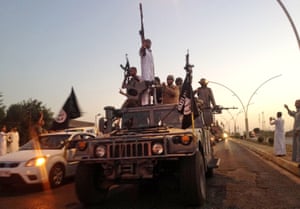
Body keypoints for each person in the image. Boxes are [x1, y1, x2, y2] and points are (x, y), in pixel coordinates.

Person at [139, 38, 155, 105]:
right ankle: (144, 105)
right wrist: (142, 38)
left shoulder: (150, 52)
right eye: (147, 42)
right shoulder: (144, 51)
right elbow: (142, 50)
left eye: (149, 43)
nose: (149, 44)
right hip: (146, 76)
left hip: (151, 76)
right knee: (144, 91)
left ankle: (148, 104)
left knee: (149, 91)